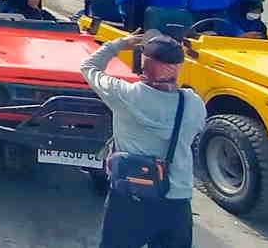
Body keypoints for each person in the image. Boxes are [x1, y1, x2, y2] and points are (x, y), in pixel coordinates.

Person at [82, 34, 206, 248]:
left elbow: (89, 66)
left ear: (142, 63)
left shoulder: (123, 94)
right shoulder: (193, 103)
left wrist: (119, 44)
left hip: (130, 198)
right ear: (178, 67)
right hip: (176, 202)